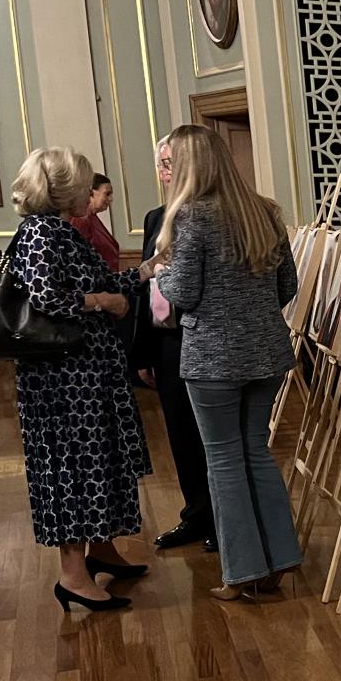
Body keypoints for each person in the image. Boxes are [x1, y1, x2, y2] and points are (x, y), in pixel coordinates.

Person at [155, 124, 303, 603]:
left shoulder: (191, 218)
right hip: (266, 353)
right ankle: (278, 560)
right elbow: (287, 287)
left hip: (213, 359)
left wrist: (160, 276)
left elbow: (184, 294)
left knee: (222, 461)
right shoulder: (265, 212)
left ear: (188, 166)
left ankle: (239, 572)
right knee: (256, 452)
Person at [7, 146, 151, 612]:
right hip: (63, 382)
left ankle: (101, 549)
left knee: (100, 460)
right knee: (72, 468)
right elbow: (51, 298)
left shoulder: (59, 230)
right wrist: (104, 303)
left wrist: (145, 272)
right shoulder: (40, 233)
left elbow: (98, 281)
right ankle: (73, 576)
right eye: (84, 181)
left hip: (86, 375)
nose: (90, 191)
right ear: (65, 187)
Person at [132, 136, 214, 552]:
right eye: (161, 164)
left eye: (172, 163)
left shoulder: (210, 217)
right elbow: (148, 292)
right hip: (166, 344)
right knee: (180, 436)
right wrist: (143, 354)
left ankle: (223, 519)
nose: (166, 173)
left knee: (211, 437)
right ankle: (196, 514)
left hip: (203, 337)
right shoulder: (155, 218)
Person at [70, 173, 120, 272]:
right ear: (91, 193)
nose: (111, 199)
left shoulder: (92, 218)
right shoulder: (81, 220)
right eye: (107, 194)